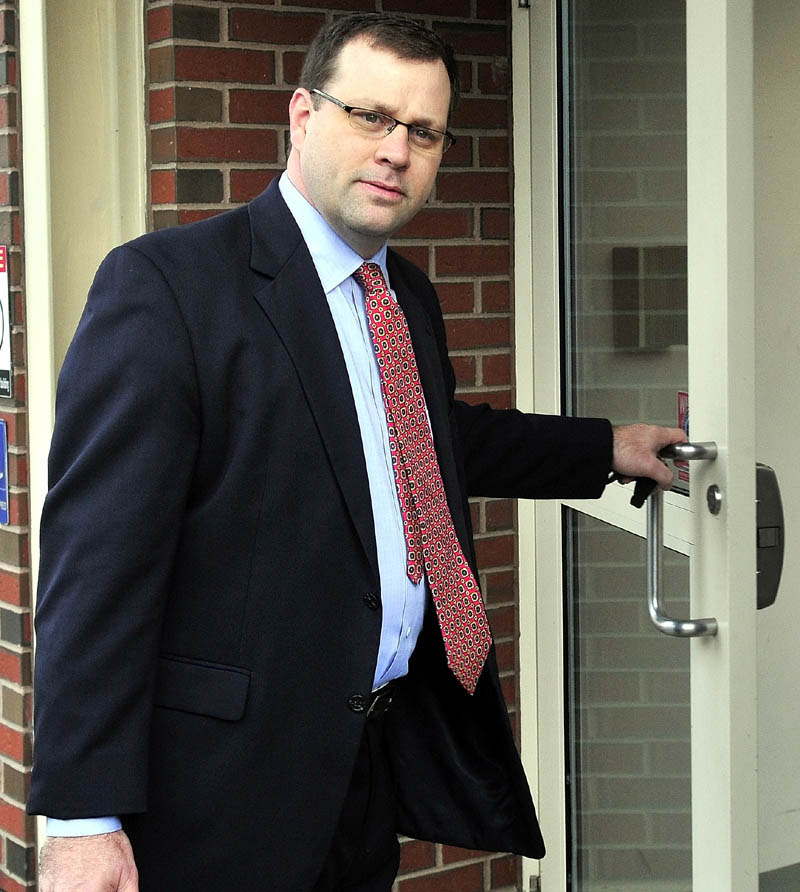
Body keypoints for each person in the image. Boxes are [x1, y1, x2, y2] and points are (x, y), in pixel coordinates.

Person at [28, 12, 685, 892]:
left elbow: (425, 443)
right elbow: (95, 566)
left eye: (423, 130)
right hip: (216, 795)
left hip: (360, 766)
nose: (396, 150)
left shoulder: (403, 294)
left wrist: (607, 447)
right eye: (370, 116)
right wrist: (81, 818)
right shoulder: (169, 289)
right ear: (303, 115)